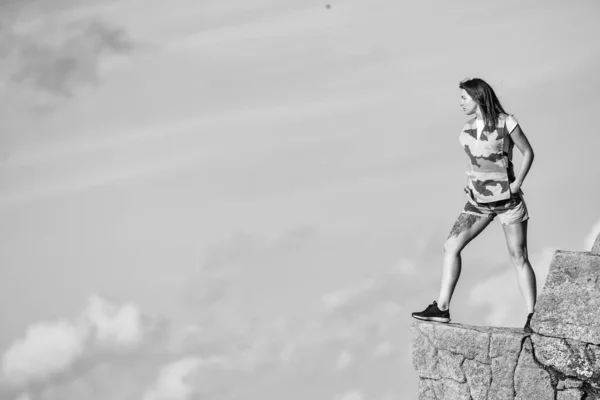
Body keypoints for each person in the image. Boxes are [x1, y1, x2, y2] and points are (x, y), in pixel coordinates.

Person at [411, 77, 537, 333]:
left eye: (463, 98)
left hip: (508, 202)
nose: (460, 103)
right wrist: (470, 183)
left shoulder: (506, 122)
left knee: (518, 256)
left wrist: (517, 183)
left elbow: (528, 152)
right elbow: (477, 164)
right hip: (477, 203)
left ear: (477, 97)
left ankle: (533, 315)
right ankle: (442, 308)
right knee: (451, 246)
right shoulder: (465, 132)